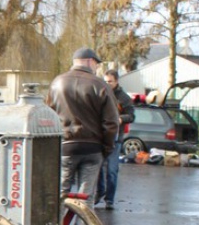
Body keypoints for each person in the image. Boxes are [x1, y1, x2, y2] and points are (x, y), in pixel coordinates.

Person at [45, 47, 120, 202]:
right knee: (86, 199)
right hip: (92, 148)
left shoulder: (57, 82)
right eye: (96, 64)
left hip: (65, 145)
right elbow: (111, 123)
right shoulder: (101, 85)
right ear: (90, 61)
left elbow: (47, 115)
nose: (97, 67)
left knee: (59, 195)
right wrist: (107, 148)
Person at [95, 68, 134, 210]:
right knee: (97, 167)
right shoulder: (100, 94)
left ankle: (109, 199)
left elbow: (131, 116)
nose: (107, 84)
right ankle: (100, 192)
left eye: (110, 81)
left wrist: (121, 119)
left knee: (111, 170)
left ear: (116, 81)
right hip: (100, 138)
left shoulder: (124, 98)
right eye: (105, 81)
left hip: (116, 140)